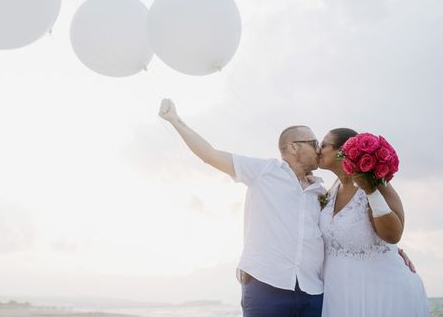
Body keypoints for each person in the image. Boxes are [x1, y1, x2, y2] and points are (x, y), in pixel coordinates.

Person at [158, 98, 325, 317]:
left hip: (311, 290)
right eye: (313, 143)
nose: (319, 148)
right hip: (266, 286)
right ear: (293, 147)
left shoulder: (321, 191)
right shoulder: (264, 171)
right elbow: (210, 155)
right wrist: (175, 120)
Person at [317, 128, 429, 317]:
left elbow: (393, 235)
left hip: (381, 293)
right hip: (340, 297)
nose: (318, 149)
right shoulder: (330, 191)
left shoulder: (377, 183)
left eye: (323, 145)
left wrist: (370, 191)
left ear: (342, 151)